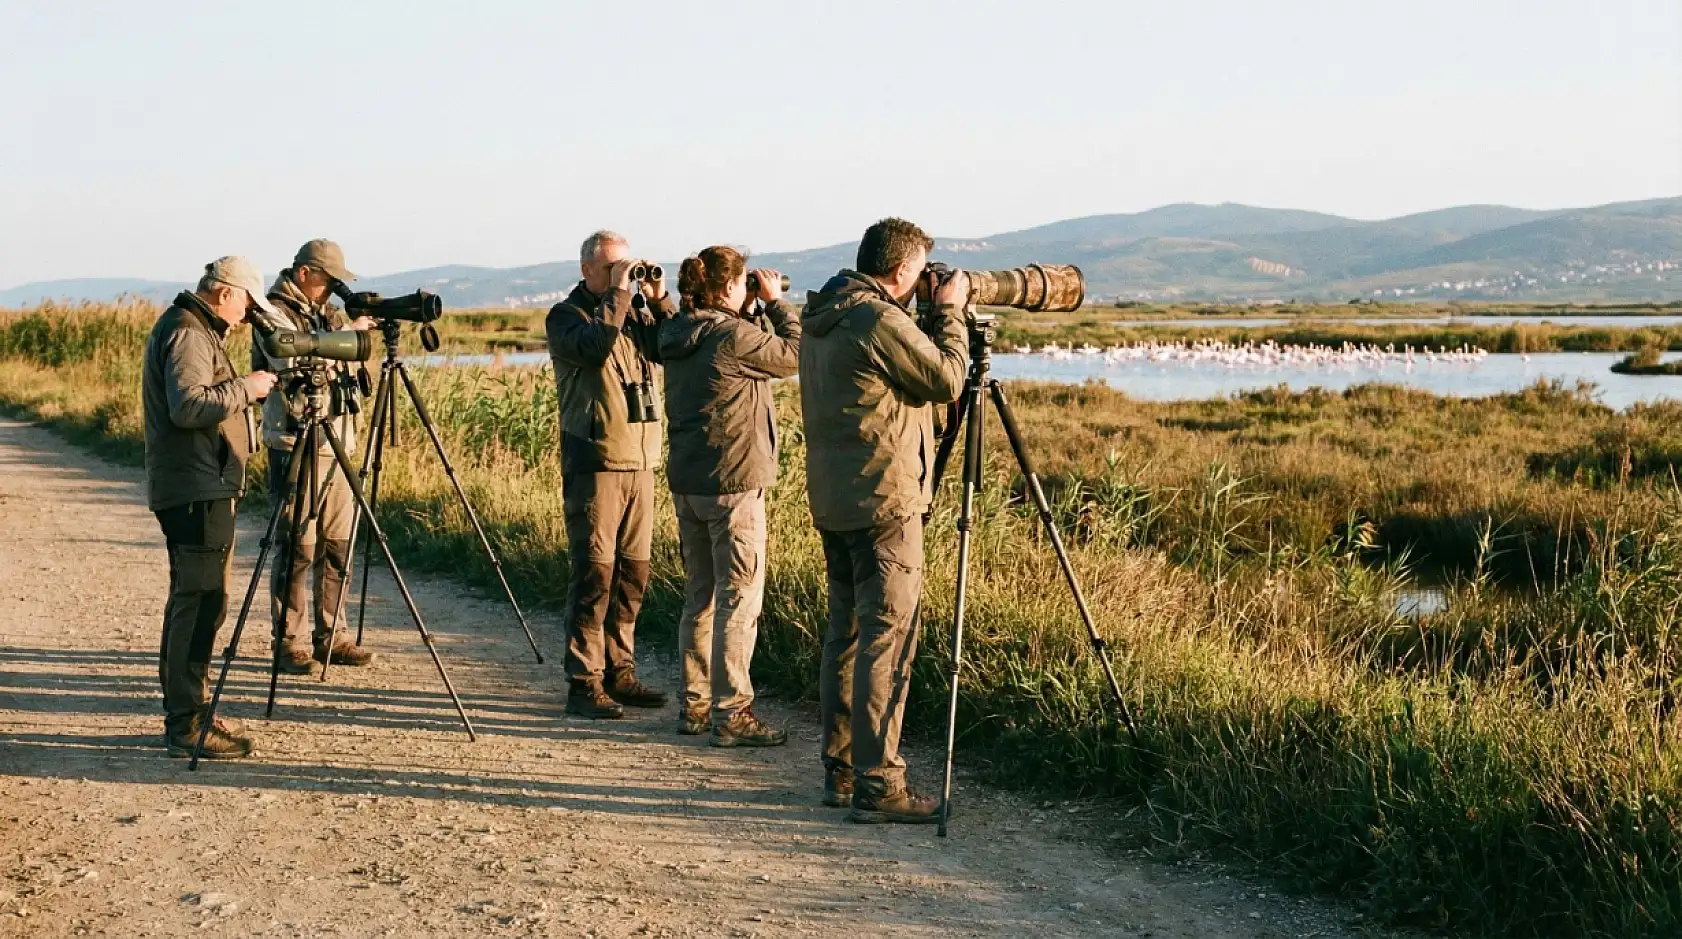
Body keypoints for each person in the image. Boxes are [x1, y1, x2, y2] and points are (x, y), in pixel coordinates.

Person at [799, 218, 969, 823]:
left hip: (837, 498)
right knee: (887, 638)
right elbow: (947, 379)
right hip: (885, 501)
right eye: (922, 272)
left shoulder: (826, 312)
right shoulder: (877, 319)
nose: (926, 282)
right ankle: (880, 784)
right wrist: (948, 315)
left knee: (845, 633)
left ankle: (842, 768)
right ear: (902, 270)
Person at [658, 247, 800, 747]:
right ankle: (732, 712)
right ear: (726, 289)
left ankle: (694, 704)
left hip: (689, 483)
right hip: (734, 484)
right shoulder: (733, 334)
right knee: (738, 600)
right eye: (744, 283)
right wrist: (778, 303)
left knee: (700, 598)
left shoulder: (675, 332)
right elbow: (793, 355)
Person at [143, 256, 281, 759]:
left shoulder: (194, 327)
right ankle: (185, 723)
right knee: (198, 601)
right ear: (225, 293)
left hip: (202, 483)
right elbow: (188, 406)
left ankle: (192, 709)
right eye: (246, 301)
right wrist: (249, 388)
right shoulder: (189, 333)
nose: (248, 313)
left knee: (203, 598)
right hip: (195, 487)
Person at [545, 231, 674, 718]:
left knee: (633, 576)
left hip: (641, 460)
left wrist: (658, 299)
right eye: (612, 267)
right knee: (594, 575)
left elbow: (672, 346)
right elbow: (596, 348)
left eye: (629, 265)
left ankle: (621, 673)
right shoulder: (567, 316)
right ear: (587, 270)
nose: (624, 273)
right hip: (595, 460)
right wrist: (620, 294)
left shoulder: (635, 314)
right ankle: (584, 682)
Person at [252, 239, 377, 675]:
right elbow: (287, 350)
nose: (332, 290)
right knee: (297, 546)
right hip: (294, 438)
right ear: (304, 273)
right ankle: (289, 641)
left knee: (338, 543)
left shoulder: (328, 312)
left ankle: (333, 635)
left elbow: (351, 359)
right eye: (328, 280)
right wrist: (344, 338)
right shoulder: (272, 311)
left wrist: (352, 341)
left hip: (339, 438)